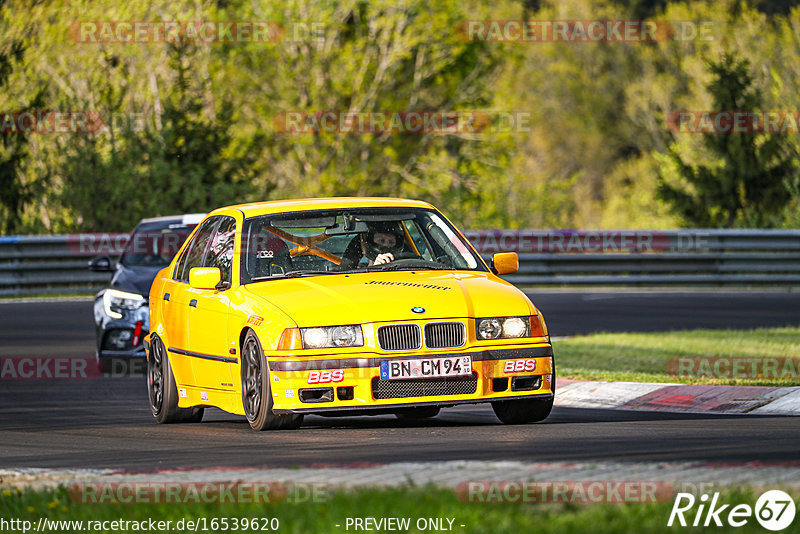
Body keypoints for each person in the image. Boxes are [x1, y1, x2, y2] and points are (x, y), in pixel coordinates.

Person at [340, 222, 407, 269]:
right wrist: (375, 268)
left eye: (391, 242)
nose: (386, 245)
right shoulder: (358, 274)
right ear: (370, 242)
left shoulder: (409, 264)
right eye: (381, 241)